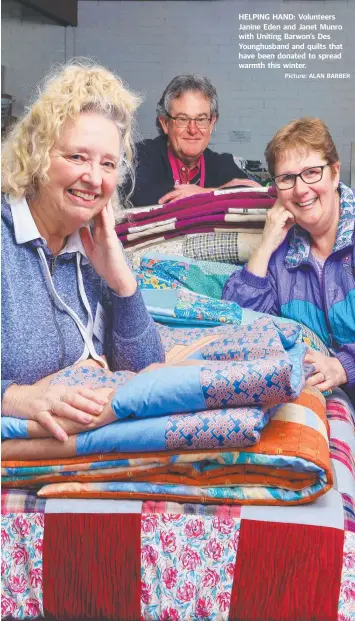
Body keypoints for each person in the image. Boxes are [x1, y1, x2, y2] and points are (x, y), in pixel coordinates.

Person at [1, 61, 164, 442]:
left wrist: (122, 281)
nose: (94, 177)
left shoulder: (91, 248)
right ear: (37, 154)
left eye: (108, 163)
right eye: (77, 157)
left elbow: (147, 371)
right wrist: (14, 396)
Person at [222, 117, 355, 402]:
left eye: (311, 172)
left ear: (334, 172)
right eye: (287, 178)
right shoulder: (281, 258)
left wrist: (345, 366)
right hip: (327, 405)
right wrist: (265, 245)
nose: (300, 189)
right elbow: (237, 327)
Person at [127, 74, 259, 206]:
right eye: (182, 119)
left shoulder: (222, 163)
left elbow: (257, 194)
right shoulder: (140, 155)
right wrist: (219, 193)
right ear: (165, 123)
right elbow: (139, 194)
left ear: (212, 123)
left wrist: (205, 193)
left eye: (201, 119)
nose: (193, 129)